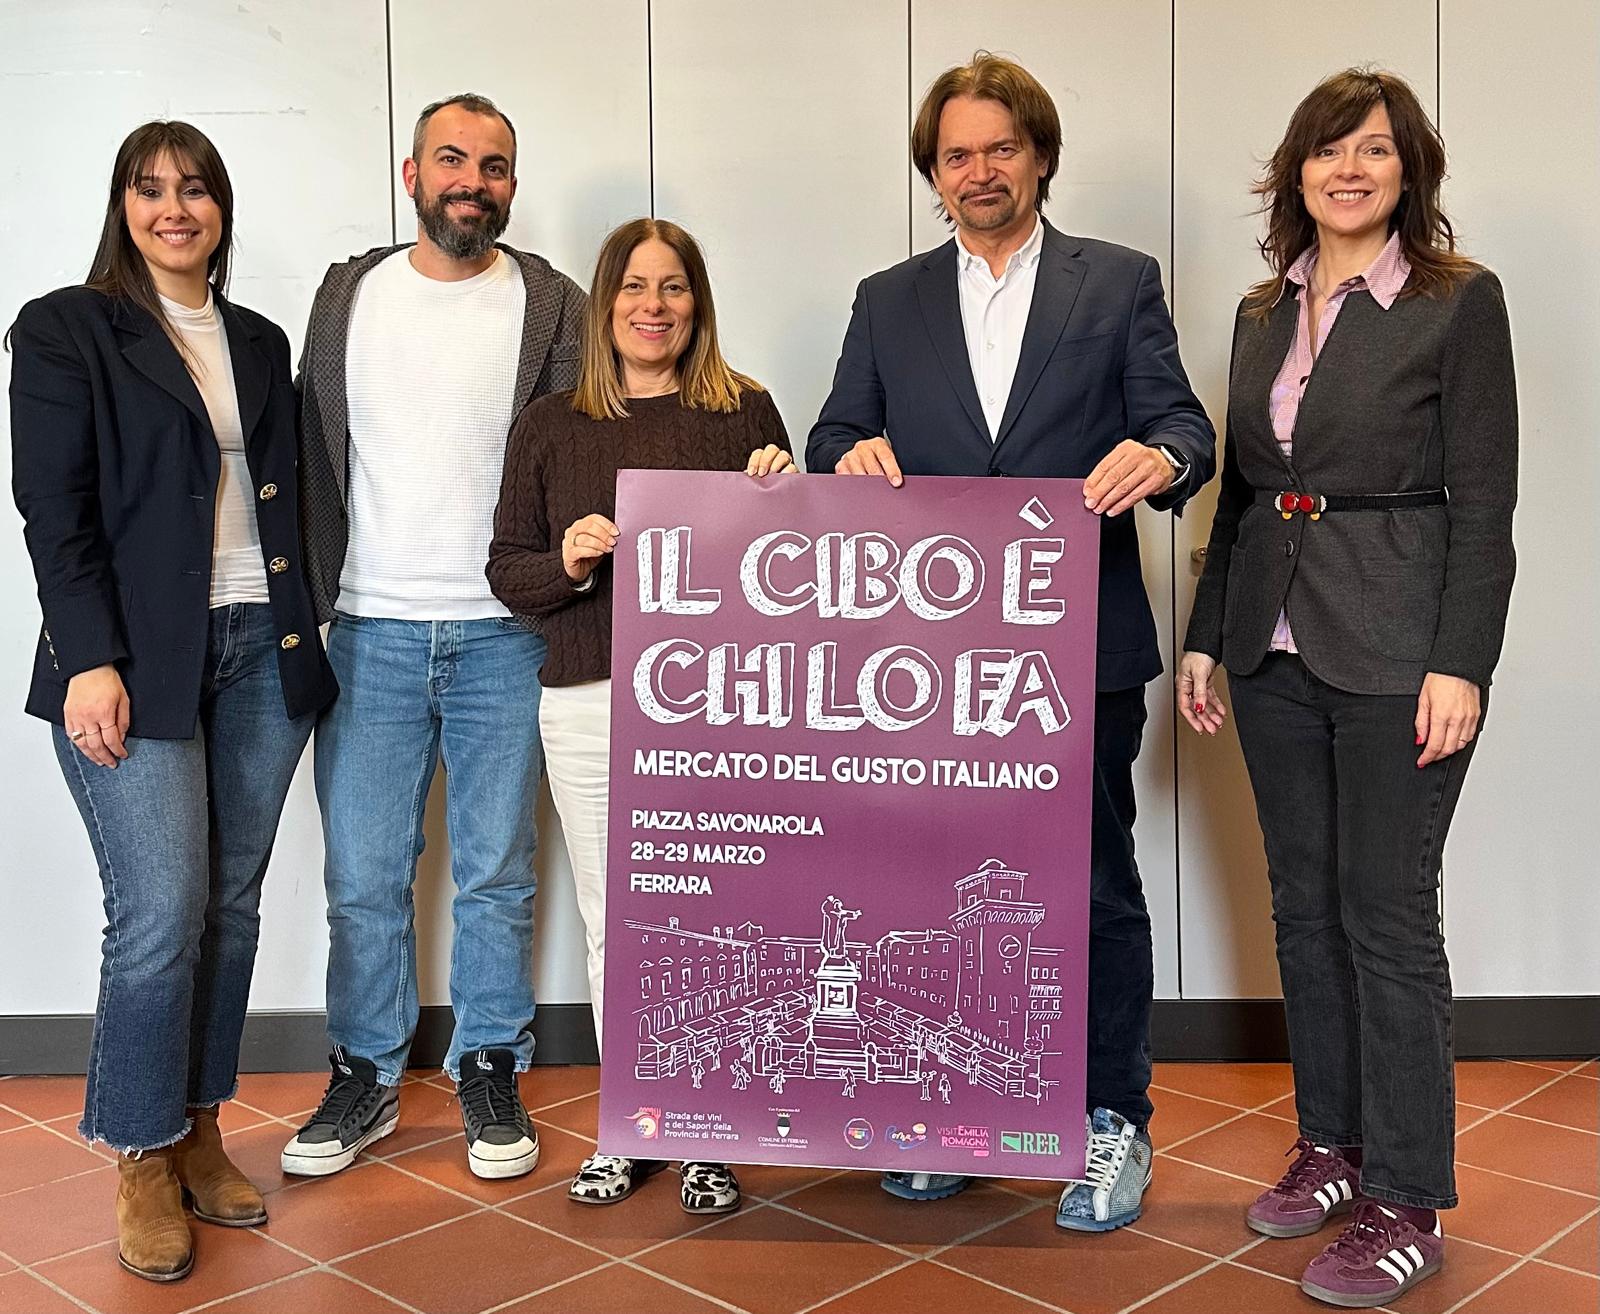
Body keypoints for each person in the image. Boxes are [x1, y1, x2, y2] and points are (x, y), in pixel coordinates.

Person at [808, 52, 1215, 1228]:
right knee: (932, 888)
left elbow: (1183, 426)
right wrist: (848, 454)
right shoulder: (887, 299)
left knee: (1088, 886)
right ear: (932, 174)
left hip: (1080, 648)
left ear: (1038, 156)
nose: (978, 170)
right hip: (925, 667)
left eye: (1000, 148)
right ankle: (959, 1117)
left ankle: (1110, 1121)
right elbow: (835, 431)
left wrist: (1162, 459)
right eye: (956, 155)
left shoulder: (1117, 282)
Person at [1177, 69, 1516, 1308]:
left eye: (1374, 149)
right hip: (1270, 650)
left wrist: (1461, 661)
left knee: (1386, 918)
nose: (1349, 170)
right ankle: (1333, 1146)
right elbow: (1242, 492)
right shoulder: (1261, 309)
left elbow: (1485, 503)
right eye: (1328, 150)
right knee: (1305, 912)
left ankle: (1407, 1197)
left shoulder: (1455, 302)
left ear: (1407, 169)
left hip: (1398, 654)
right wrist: (1206, 638)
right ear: (1298, 172)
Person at [8, 121, 337, 1281]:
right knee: (158, 913)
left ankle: (199, 1126)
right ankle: (141, 1154)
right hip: (134, 659)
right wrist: (88, 658)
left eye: (195, 189)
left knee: (229, 910)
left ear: (220, 208)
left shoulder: (257, 339)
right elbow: (52, 511)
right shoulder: (67, 328)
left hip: (261, 648)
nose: (174, 209)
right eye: (149, 190)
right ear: (122, 206)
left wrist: (315, 623)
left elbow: (287, 491)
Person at [281, 93, 586, 1182]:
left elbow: (592, 441)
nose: (473, 181)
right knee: (364, 876)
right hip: (368, 629)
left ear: (512, 184)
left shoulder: (553, 303)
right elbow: (306, 448)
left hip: (507, 633)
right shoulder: (346, 296)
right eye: (452, 160)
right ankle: (364, 1073)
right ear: (412, 175)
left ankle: (489, 1062)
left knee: (496, 872)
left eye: (493, 166)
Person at [487, 216, 793, 1214]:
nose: (652, 307)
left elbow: (794, 578)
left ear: (697, 303)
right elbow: (507, 573)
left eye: (672, 287)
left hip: (718, 710)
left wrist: (787, 501)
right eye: (633, 286)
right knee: (615, 921)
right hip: (590, 700)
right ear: (603, 303)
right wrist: (571, 561)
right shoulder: (550, 425)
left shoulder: (745, 412)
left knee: (723, 921)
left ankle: (712, 1134)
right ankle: (636, 1121)